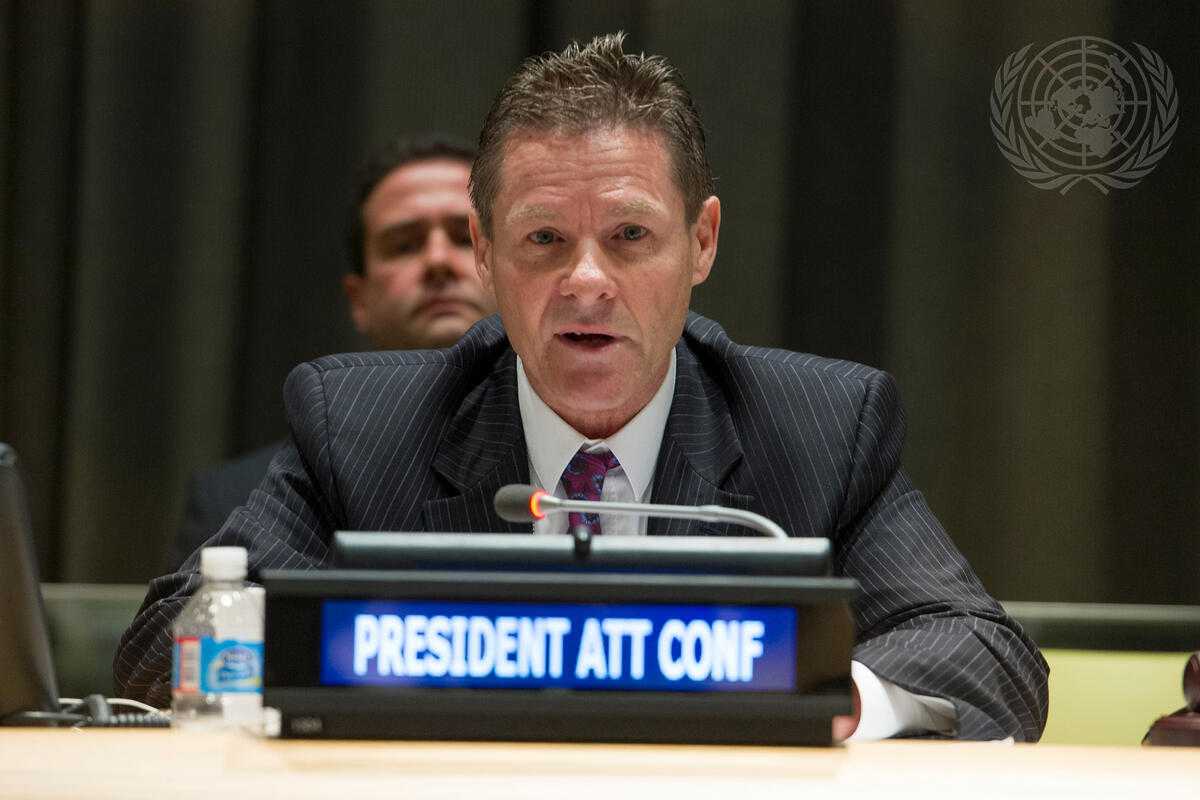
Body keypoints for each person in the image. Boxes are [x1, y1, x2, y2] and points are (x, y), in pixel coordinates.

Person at [120, 34, 1048, 741]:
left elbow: (985, 655)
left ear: (704, 242)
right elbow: (165, 647)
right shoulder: (366, 426)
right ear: (486, 253)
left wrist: (834, 696)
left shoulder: (817, 427)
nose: (588, 281)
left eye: (632, 237)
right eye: (544, 241)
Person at [168, 137, 497, 570]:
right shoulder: (239, 498)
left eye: (462, 238)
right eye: (404, 245)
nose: (437, 260)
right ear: (358, 300)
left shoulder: (573, 460)